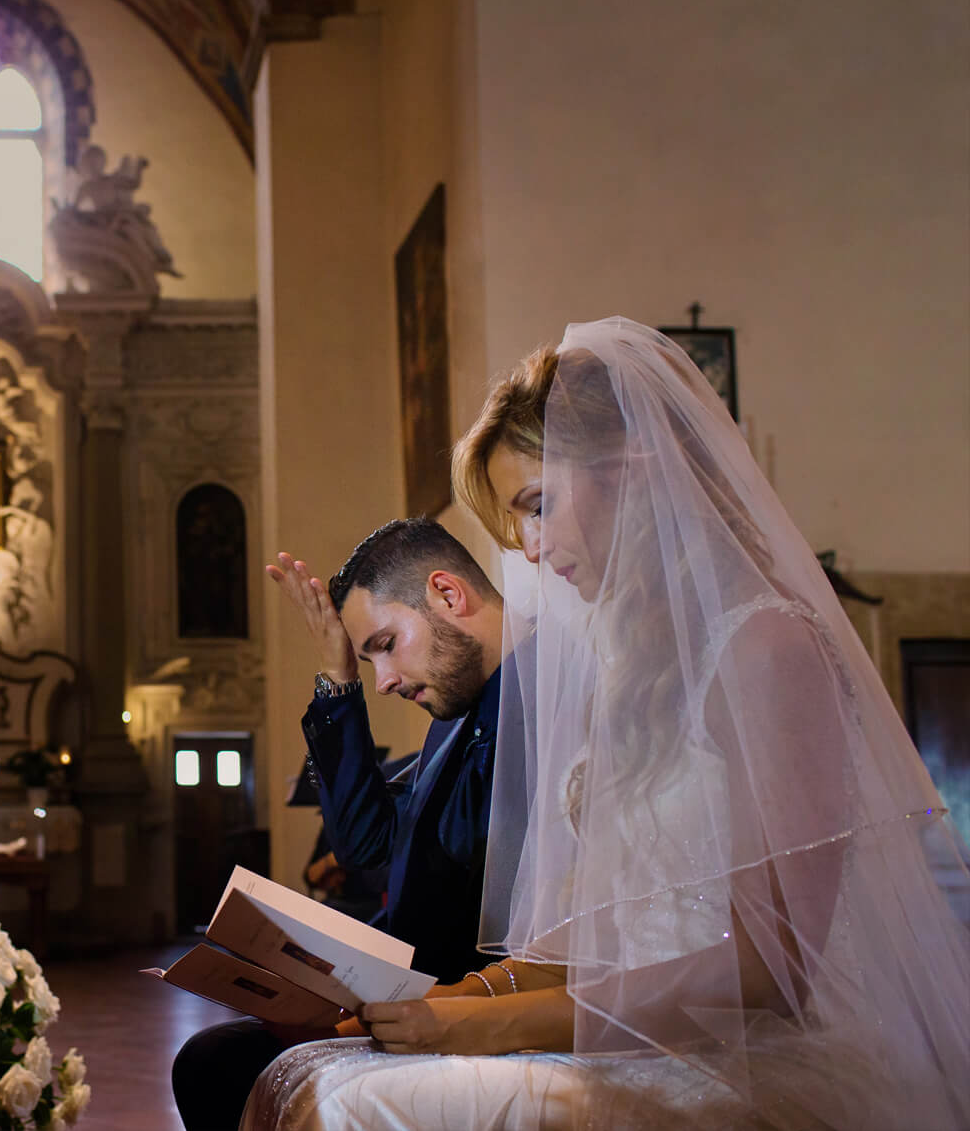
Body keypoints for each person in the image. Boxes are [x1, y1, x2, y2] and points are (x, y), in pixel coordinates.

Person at [242, 318, 970, 1130]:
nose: (533, 547)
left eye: (540, 505)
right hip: (626, 1037)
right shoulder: (632, 668)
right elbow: (595, 939)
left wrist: (482, 1023)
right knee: (320, 1072)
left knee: (352, 1106)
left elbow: (772, 972)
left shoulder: (767, 645)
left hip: (740, 1058)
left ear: (638, 471)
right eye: (520, 523)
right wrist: (455, 999)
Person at [173, 519, 509, 1130]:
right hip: (406, 989)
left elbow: (464, 858)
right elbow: (368, 845)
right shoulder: (456, 710)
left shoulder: (524, 702)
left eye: (385, 643)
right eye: (368, 659)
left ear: (448, 595)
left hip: (461, 1001)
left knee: (216, 1064)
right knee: (214, 1059)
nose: (383, 681)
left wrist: (353, 1004)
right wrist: (338, 681)